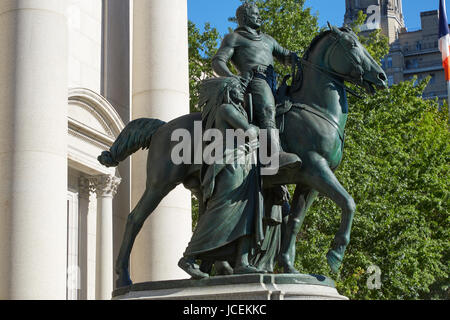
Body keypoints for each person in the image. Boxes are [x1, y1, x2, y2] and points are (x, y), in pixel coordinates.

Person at [178, 77, 266, 279]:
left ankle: (242, 261)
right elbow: (249, 131)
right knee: (221, 209)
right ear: (226, 90)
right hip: (229, 163)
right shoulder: (226, 109)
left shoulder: (236, 109)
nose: (240, 91)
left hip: (245, 163)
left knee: (247, 212)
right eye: (235, 88)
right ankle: (189, 257)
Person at [212, 2, 302, 173]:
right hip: (254, 81)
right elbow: (218, 61)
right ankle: (275, 156)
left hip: (273, 81)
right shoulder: (234, 38)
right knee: (268, 110)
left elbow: (285, 56)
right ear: (244, 18)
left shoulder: (268, 39)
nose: (259, 16)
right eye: (255, 14)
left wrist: (298, 58)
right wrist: (232, 78)